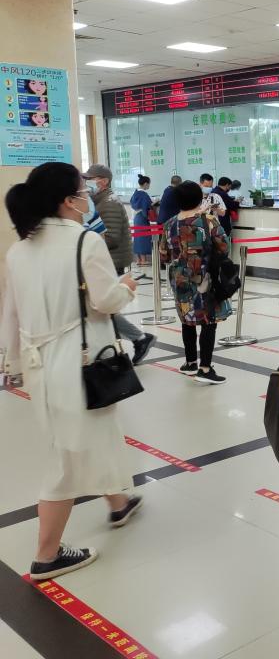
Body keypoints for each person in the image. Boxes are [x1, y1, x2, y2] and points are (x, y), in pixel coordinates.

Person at [0, 162, 144, 581]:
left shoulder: (20, 249)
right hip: (80, 363)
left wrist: (12, 364)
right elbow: (105, 300)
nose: (88, 197)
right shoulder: (85, 241)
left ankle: (118, 502)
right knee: (66, 456)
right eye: (82, 191)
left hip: (41, 363)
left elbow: (11, 312)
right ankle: (47, 554)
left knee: (91, 433)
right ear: (67, 200)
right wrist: (127, 287)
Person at [160, 181, 232, 385]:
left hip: (179, 279)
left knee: (187, 319)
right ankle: (205, 368)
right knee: (208, 321)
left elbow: (164, 255)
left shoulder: (169, 224)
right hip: (204, 278)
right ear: (200, 198)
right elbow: (224, 248)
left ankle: (190, 362)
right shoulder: (207, 220)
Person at [83, 164, 155, 365]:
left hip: (111, 260)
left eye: (91, 179)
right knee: (102, 308)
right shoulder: (99, 202)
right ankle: (137, 339)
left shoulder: (109, 203)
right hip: (105, 259)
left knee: (103, 308)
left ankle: (138, 339)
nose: (88, 184)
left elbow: (112, 238)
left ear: (104, 181)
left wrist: (84, 242)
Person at [130, 175, 153, 271]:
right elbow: (146, 207)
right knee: (143, 238)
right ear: (146, 184)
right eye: (149, 184)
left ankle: (139, 260)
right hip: (142, 218)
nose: (149, 186)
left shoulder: (135, 193)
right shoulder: (144, 195)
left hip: (136, 218)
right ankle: (144, 260)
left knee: (138, 238)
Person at [212, 176, 240, 245]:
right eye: (230, 186)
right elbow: (231, 205)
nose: (230, 189)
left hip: (214, 220)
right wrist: (237, 202)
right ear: (227, 185)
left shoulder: (213, 191)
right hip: (222, 220)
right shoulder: (222, 193)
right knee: (223, 241)